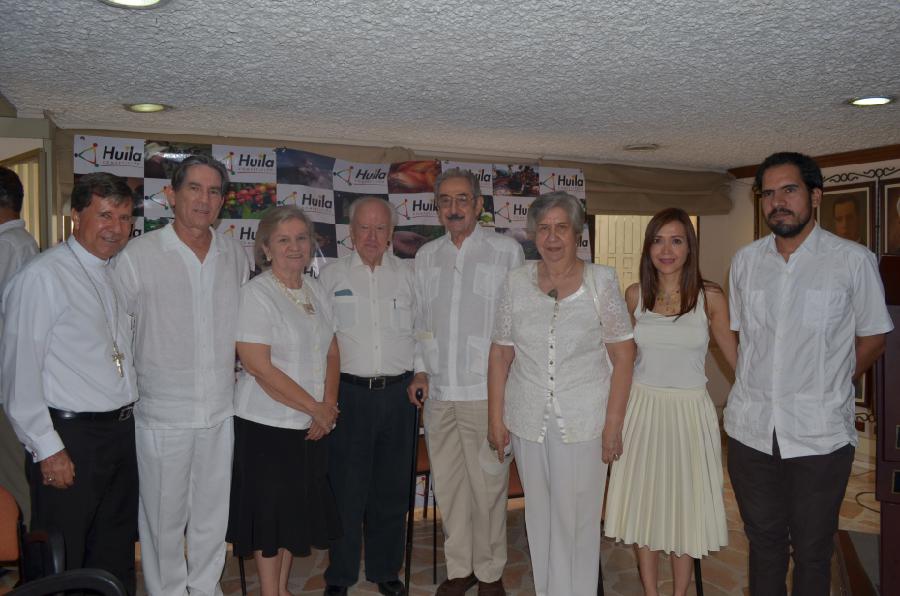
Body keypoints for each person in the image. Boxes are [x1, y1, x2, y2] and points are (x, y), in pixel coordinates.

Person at [727, 152, 892, 595]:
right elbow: (747, 339)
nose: (777, 202)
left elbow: (874, 337)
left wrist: (831, 381)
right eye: (768, 193)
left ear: (815, 196)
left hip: (819, 435)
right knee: (764, 544)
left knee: (813, 550)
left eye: (789, 190)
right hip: (751, 432)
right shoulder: (745, 262)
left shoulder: (851, 260)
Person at [113, 154, 250, 596]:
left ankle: (205, 588)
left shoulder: (234, 254)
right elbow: (115, 332)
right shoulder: (139, 255)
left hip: (219, 409)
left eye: (214, 191)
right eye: (194, 188)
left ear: (222, 201)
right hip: (162, 413)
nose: (204, 199)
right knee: (162, 519)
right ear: (171, 194)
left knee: (212, 515)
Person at [486, 191, 635, 596]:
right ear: (534, 234)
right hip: (527, 418)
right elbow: (500, 353)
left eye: (561, 228)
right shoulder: (516, 282)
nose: (552, 238)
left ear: (577, 233)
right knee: (540, 517)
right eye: (544, 229)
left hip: (585, 420)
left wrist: (613, 424)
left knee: (578, 521)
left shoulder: (601, 280)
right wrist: (495, 418)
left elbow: (623, 355)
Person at [1, 172, 138, 591]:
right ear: (76, 215)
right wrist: (48, 449)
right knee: (62, 559)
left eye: (125, 217)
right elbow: (18, 374)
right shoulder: (43, 276)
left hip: (118, 434)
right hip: (70, 438)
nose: (116, 227)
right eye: (105, 215)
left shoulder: (112, 271)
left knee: (112, 552)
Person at [603, 208, 737, 596]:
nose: (666, 250)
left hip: (690, 414)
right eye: (658, 241)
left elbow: (738, 362)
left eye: (676, 241)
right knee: (645, 507)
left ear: (689, 247)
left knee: (684, 510)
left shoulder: (710, 297)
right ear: (648, 248)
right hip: (642, 412)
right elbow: (620, 361)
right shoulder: (634, 295)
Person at [408, 168, 524, 596]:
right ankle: (461, 569)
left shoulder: (505, 251)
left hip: (486, 394)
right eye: (445, 200)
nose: (453, 208)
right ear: (437, 207)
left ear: (478, 205)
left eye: (462, 199)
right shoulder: (426, 256)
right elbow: (421, 320)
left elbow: (516, 324)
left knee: (489, 487)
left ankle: (490, 573)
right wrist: (420, 369)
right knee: (449, 486)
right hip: (440, 393)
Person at [226, 206, 341, 596]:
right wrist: (315, 408)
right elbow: (258, 366)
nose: (295, 247)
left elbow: (332, 351)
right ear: (266, 248)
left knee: (294, 516)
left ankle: (281, 590)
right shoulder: (255, 294)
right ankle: (269, 592)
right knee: (269, 519)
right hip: (267, 426)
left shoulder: (315, 290)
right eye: (284, 239)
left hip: (311, 425)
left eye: (301, 238)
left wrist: (328, 407)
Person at [320, 197, 417, 596]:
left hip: (399, 396)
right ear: (351, 232)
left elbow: (423, 329)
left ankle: (385, 570)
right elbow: (321, 339)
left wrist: (422, 371)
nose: (372, 236)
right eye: (364, 227)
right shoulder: (331, 276)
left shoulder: (409, 276)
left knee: (391, 491)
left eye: (380, 228)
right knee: (346, 491)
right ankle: (340, 576)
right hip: (349, 396)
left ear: (391, 233)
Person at [0, 166, 39, 523]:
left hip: (6, 386)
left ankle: (28, 549)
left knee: (13, 479)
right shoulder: (22, 243)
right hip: (14, 382)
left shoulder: (7, 246)